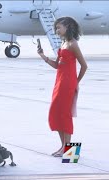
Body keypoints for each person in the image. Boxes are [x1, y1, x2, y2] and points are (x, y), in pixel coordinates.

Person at [37, 17, 88, 157]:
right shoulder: (63, 44)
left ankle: (71, 153)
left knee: (65, 115)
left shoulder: (73, 44)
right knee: (56, 113)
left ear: (68, 27)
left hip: (68, 84)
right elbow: (57, 66)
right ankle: (63, 147)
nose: (56, 31)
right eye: (56, 28)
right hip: (59, 83)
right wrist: (43, 56)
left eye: (59, 27)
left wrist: (76, 82)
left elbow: (84, 66)